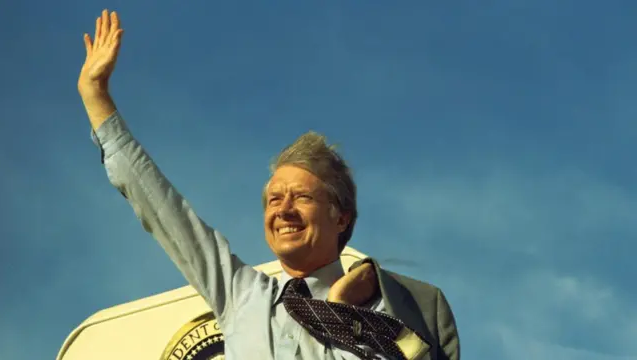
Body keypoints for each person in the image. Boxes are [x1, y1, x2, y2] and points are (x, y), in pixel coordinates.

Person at [77, 10, 460, 360]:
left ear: (341, 217)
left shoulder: (393, 307)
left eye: (302, 196)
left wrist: (344, 316)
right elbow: (163, 209)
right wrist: (97, 100)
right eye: (274, 199)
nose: (283, 209)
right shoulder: (242, 294)